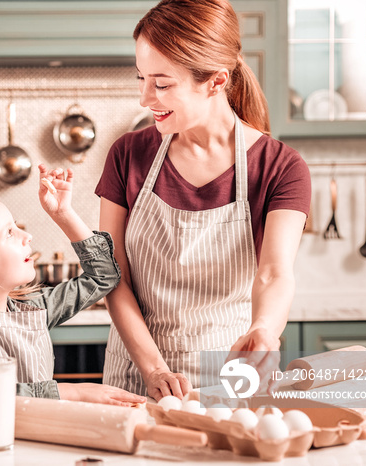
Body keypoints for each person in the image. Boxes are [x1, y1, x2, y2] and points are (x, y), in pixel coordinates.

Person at [96, 0, 311, 400]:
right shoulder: (128, 155)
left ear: (215, 81)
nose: (145, 98)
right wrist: (154, 368)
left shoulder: (280, 167)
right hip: (136, 374)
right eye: (141, 78)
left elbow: (273, 274)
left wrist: (264, 329)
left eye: (161, 84)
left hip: (230, 376)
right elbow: (113, 277)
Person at [0, 164, 145, 406]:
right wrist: (71, 393)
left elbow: (103, 276)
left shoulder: (33, 309)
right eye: (9, 233)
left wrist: (63, 213)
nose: (27, 236)